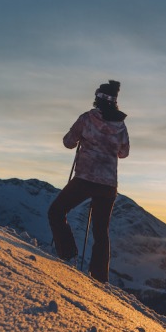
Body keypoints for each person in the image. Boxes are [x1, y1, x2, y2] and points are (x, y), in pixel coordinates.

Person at [48, 80, 130, 283]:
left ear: (97, 99)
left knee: (57, 211)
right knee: (101, 231)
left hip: (85, 178)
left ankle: (67, 254)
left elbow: (68, 142)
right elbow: (124, 152)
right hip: (108, 184)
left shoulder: (87, 119)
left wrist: (83, 140)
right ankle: (99, 277)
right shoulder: (120, 125)